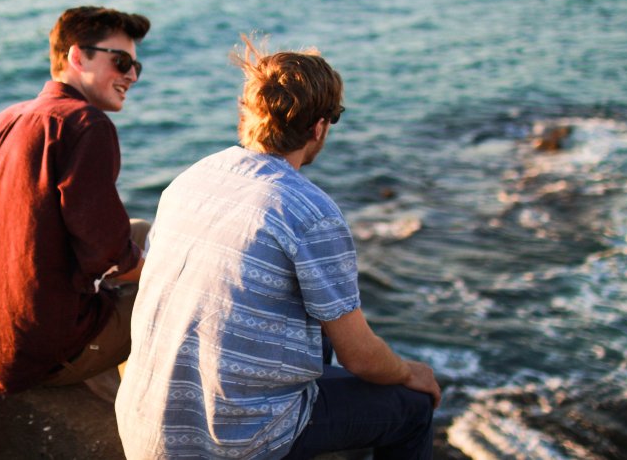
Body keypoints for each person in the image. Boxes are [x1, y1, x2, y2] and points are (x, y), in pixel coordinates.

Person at [116, 36, 441, 459]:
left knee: (318, 334)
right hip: (226, 444)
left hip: (144, 428)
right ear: (318, 127)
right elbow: (361, 357)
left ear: (244, 111)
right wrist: (409, 372)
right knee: (412, 408)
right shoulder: (310, 211)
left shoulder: (190, 180)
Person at [0, 5, 150, 396]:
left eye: (136, 67)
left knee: (145, 232)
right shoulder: (87, 125)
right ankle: (148, 416)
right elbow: (109, 256)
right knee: (178, 293)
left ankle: (102, 380)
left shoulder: (4, 120)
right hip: (31, 357)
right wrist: (168, 277)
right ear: (77, 56)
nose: (131, 76)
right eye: (121, 62)